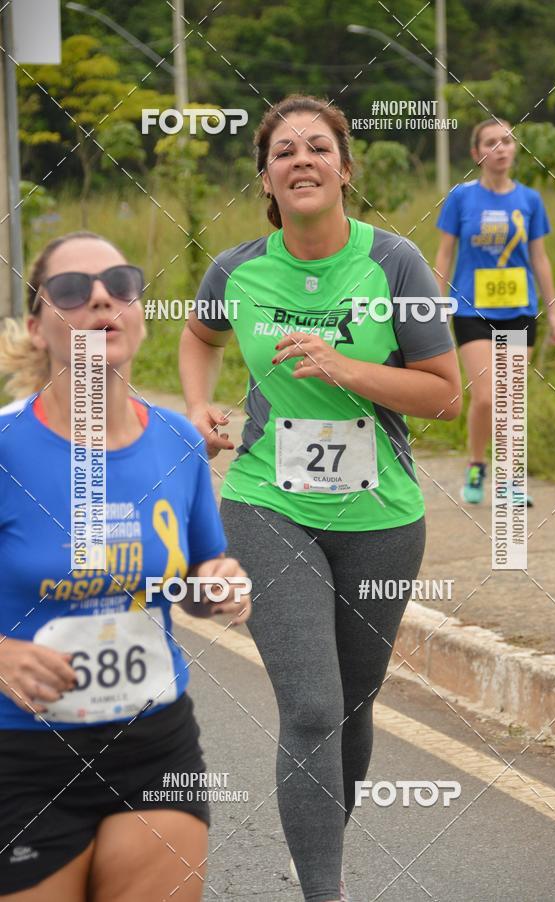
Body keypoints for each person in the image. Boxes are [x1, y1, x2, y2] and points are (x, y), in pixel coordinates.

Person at [179, 94, 462, 902]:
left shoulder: (395, 263)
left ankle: (318, 857)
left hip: (381, 517)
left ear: (344, 168)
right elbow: (198, 335)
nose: (301, 159)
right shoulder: (237, 269)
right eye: (283, 151)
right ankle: (324, 893)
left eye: (317, 147)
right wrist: (198, 405)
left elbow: (445, 396)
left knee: (353, 706)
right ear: (266, 178)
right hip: (267, 501)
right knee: (311, 707)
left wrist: (346, 368)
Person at [0, 231, 251, 901]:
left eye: (120, 284)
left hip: (152, 743)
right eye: (71, 291)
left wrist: (219, 585)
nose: (100, 299)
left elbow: (197, 578)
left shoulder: (177, 441)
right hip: (21, 752)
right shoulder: (6, 447)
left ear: (138, 315)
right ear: (37, 328)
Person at [434, 118, 555, 506]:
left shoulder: (530, 200)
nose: (501, 148)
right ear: (477, 154)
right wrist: (436, 306)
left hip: (520, 309)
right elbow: (444, 253)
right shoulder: (461, 198)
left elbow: (539, 258)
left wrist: (553, 312)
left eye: (507, 140)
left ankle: (509, 481)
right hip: (471, 310)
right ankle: (477, 463)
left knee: (510, 398)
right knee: (487, 397)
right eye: (491, 142)